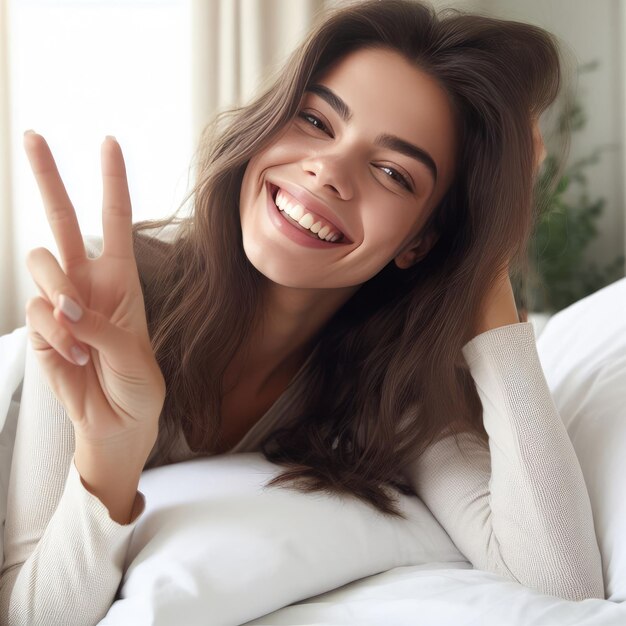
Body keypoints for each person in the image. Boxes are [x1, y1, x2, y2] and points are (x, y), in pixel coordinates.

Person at [0, 0, 605, 623]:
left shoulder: (395, 389)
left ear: (421, 242)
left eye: (393, 173)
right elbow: (29, 615)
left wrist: (488, 256)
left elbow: (562, 579)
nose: (329, 171)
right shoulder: (109, 301)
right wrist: (111, 451)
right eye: (317, 121)